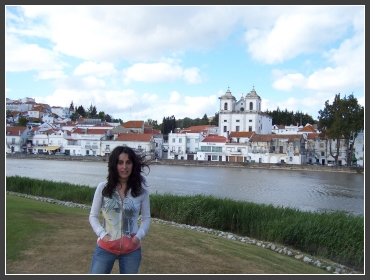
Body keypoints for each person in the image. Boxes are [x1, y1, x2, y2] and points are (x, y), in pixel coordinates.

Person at [89, 146, 151, 274]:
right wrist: (103, 235)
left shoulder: (141, 191)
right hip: (105, 248)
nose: (124, 167)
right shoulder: (103, 188)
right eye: (120, 162)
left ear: (133, 165)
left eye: (128, 162)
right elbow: (93, 216)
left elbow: (146, 219)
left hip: (131, 251)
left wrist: (137, 237)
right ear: (114, 164)